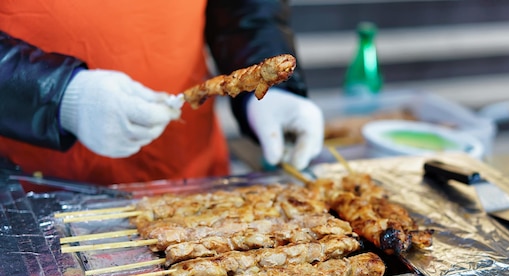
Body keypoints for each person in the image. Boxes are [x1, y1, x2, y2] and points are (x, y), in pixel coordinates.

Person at [0, 1, 324, 186]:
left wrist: (265, 82)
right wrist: (55, 93)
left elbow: (245, 10)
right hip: (31, 181)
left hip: (189, 177)